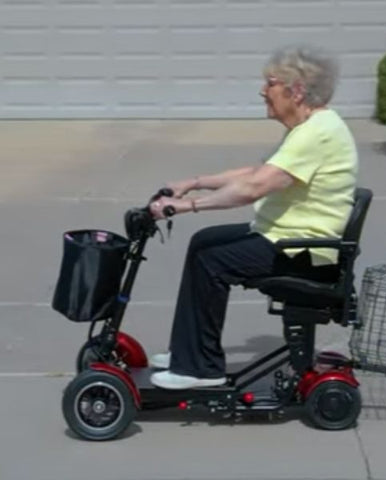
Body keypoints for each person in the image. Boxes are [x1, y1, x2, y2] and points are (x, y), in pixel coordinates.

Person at [148, 45, 358, 389]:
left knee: (210, 259)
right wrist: (194, 183)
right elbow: (256, 171)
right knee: (205, 242)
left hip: (303, 252)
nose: (263, 90)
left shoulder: (316, 133)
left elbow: (255, 187)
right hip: (287, 239)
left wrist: (186, 206)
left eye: (271, 83)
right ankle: (189, 352)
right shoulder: (312, 127)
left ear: (297, 90)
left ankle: (201, 369)